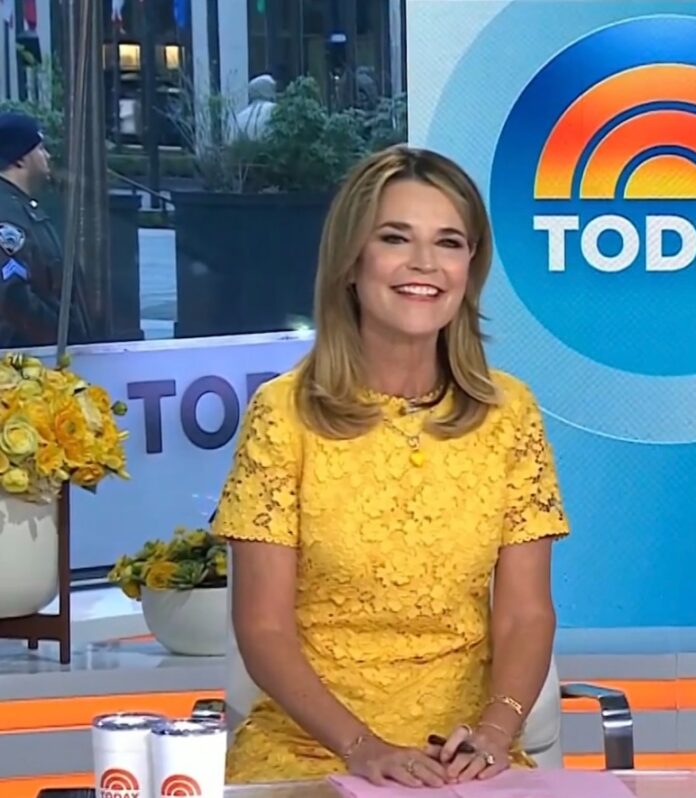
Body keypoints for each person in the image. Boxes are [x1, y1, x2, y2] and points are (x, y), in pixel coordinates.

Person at [211, 146, 569, 785]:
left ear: (470, 268)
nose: (425, 263)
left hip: (465, 759)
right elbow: (262, 626)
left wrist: (493, 734)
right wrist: (363, 748)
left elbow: (526, 614)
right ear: (352, 261)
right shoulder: (282, 414)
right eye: (395, 238)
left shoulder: (511, 414)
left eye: (449, 242)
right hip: (315, 752)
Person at [0, 111, 89, 349]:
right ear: (19, 159)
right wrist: (62, 337)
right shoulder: (6, 214)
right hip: (26, 359)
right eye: (40, 149)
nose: (47, 156)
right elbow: (12, 295)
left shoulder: (21, 207)